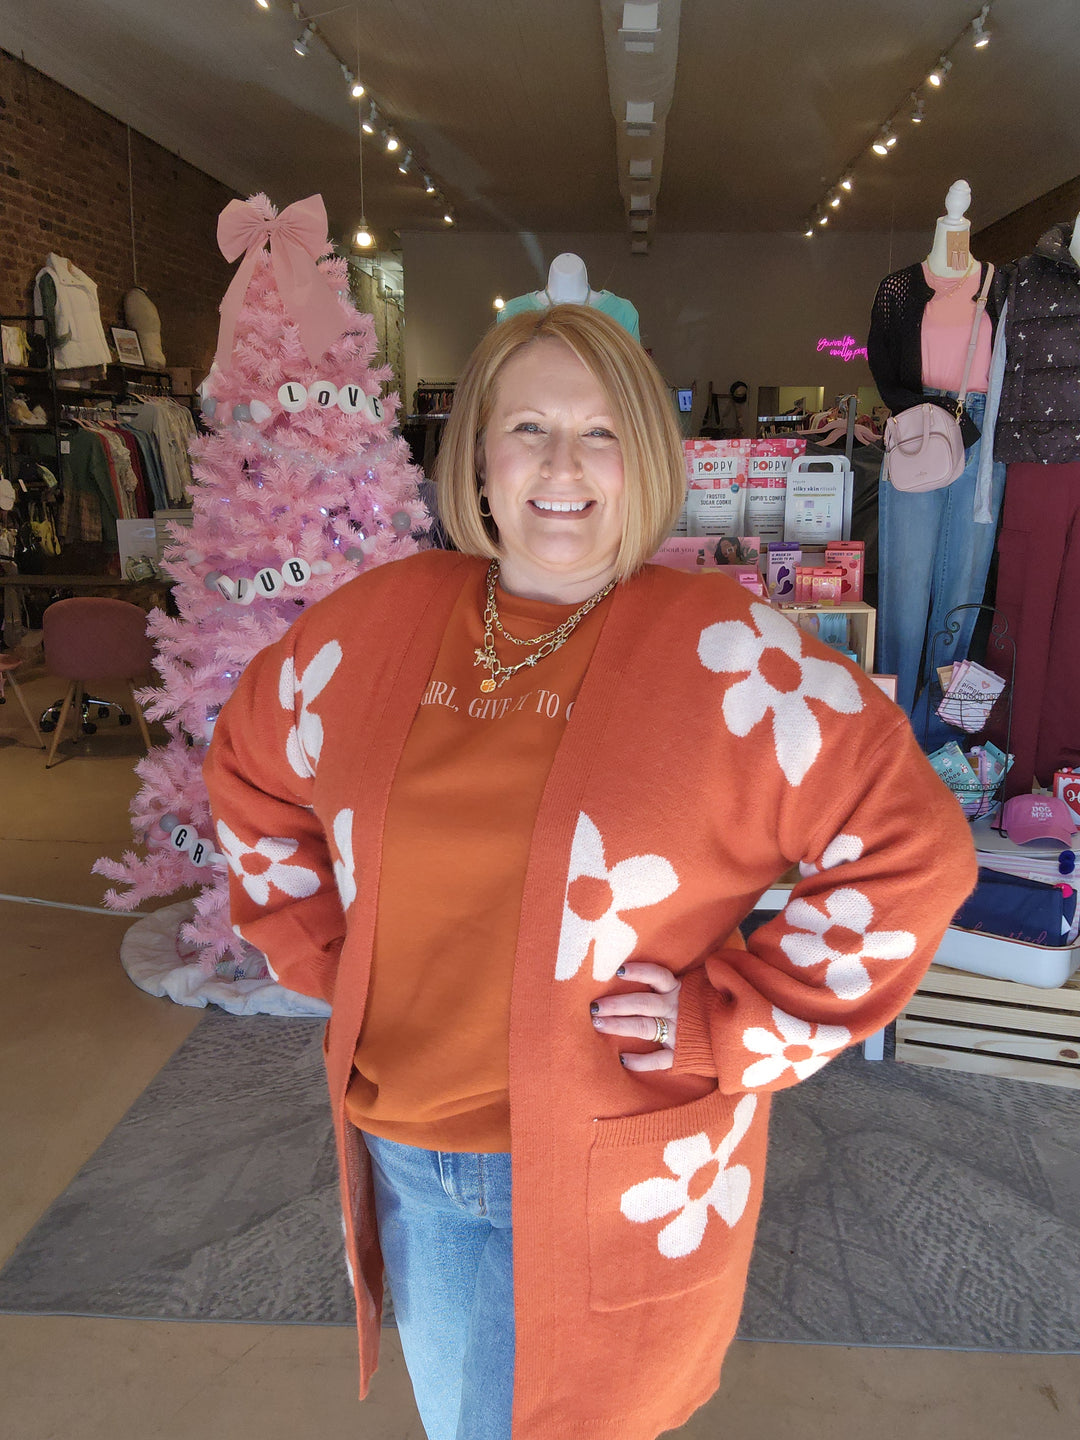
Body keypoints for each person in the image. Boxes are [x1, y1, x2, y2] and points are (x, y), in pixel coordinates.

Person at [203, 304, 976, 1440]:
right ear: (478, 453)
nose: (563, 465)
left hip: (609, 1163)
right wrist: (325, 952)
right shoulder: (375, 624)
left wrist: (741, 1018)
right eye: (529, 427)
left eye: (601, 431)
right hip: (405, 1146)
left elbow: (915, 845)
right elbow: (249, 766)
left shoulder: (730, 653)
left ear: (645, 457)